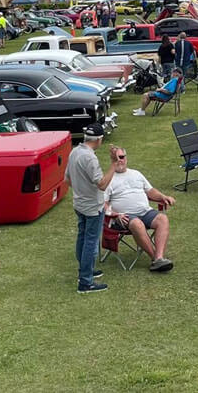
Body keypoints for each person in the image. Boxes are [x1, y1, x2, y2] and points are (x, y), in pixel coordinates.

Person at [103, 146, 175, 272]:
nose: (119, 160)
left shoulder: (136, 174)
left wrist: (163, 197)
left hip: (145, 212)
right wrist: (114, 214)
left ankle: (159, 257)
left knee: (162, 219)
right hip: (123, 217)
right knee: (137, 223)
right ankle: (155, 259)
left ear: (126, 158)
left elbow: (150, 191)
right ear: (112, 160)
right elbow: (102, 204)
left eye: (122, 157)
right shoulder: (109, 179)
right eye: (116, 158)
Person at [67, 123, 116, 294]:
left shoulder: (74, 152)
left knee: (82, 237)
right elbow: (102, 184)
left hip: (79, 203)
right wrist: (113, 165)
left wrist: (81, 191)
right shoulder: (90, 158)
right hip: (92, 207)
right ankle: (86, 282)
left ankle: (84, 271)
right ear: (99, 139)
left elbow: (68, 179)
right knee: (90, 241)